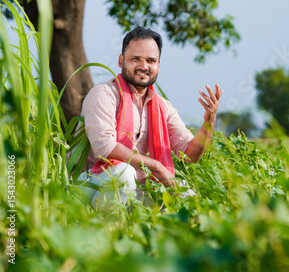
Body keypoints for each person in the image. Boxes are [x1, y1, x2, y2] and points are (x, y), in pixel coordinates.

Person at [77, 27, 223, 210]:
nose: (143, 66)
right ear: (121, 60)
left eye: (150, 61)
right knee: (124, 173)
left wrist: (208, 123)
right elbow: (105, 147)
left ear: (158, 65)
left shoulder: (164, 107)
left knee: (189, 199)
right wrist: (157, 166)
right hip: (90, 182)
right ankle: (107, 232)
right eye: (135, 59)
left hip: (139, 187)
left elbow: (189, 156)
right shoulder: (103, 94)